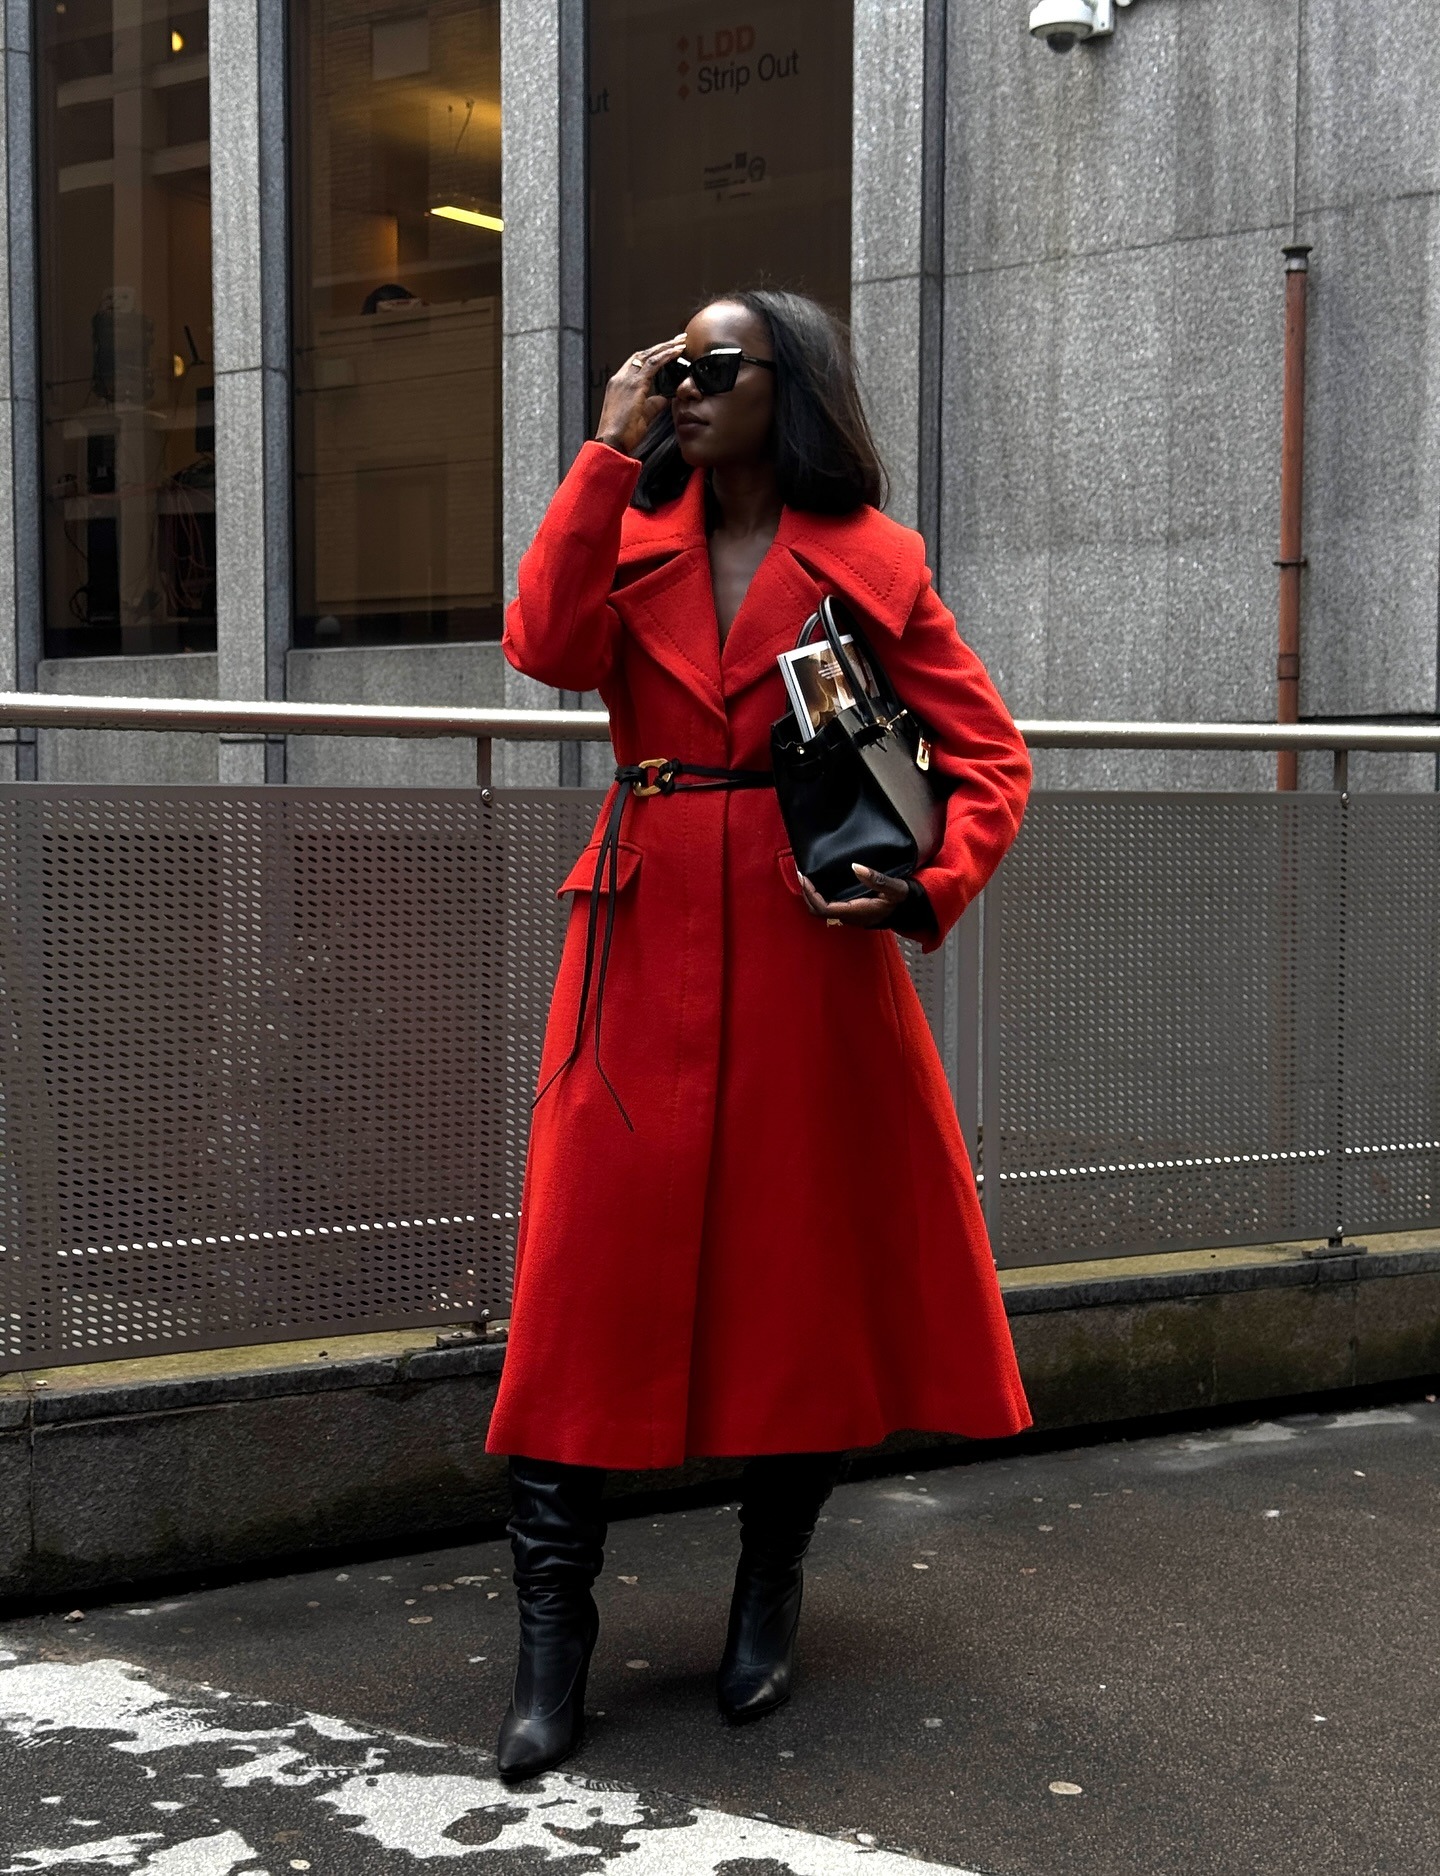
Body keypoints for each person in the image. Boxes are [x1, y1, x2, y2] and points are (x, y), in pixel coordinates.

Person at [487, 288, 1032, 1781]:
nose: (689, 384)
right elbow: (542, 647)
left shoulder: (868, 562)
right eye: (674, 364)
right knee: (582, 1281)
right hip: (641, 927)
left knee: (798, 1277)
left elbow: (988, 756)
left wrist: (924, 883)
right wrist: (605, 456)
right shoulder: (629, 525)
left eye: (714, 367)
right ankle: (553, 1639)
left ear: (788, 386)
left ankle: (767, 1589)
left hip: (807, 945)